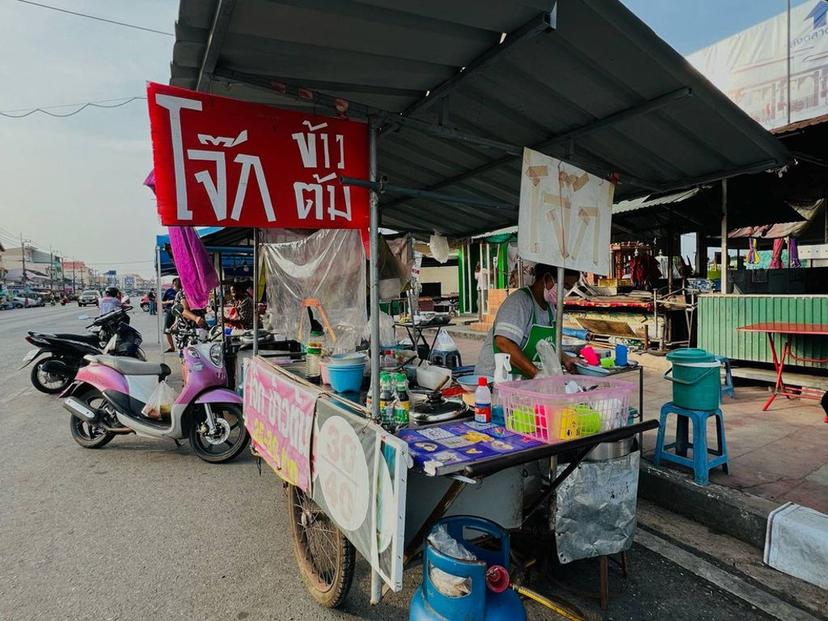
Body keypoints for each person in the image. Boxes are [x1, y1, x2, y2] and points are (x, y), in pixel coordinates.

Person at [475, 264, 580, 379]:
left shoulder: (550, 307)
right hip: (495, 380)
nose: (565, 291)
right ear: (547, 278)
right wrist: (537, 374)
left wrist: (565, 358)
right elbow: (503, 342)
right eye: (564, 285)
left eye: (568, 288)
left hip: (521, 382)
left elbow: (547, 345)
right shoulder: (519, 302)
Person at [162, 278, 182, 352]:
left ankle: (180, 345)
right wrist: (169, 301)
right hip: (170, 311)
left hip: (181, 312)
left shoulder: (182, 291)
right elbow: (161, 302)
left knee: (180, 329)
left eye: (178, 282)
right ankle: (171, 347)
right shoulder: (169, 291)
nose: (177, 284)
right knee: (167, 329)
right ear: (173, 283)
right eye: (175, 282)